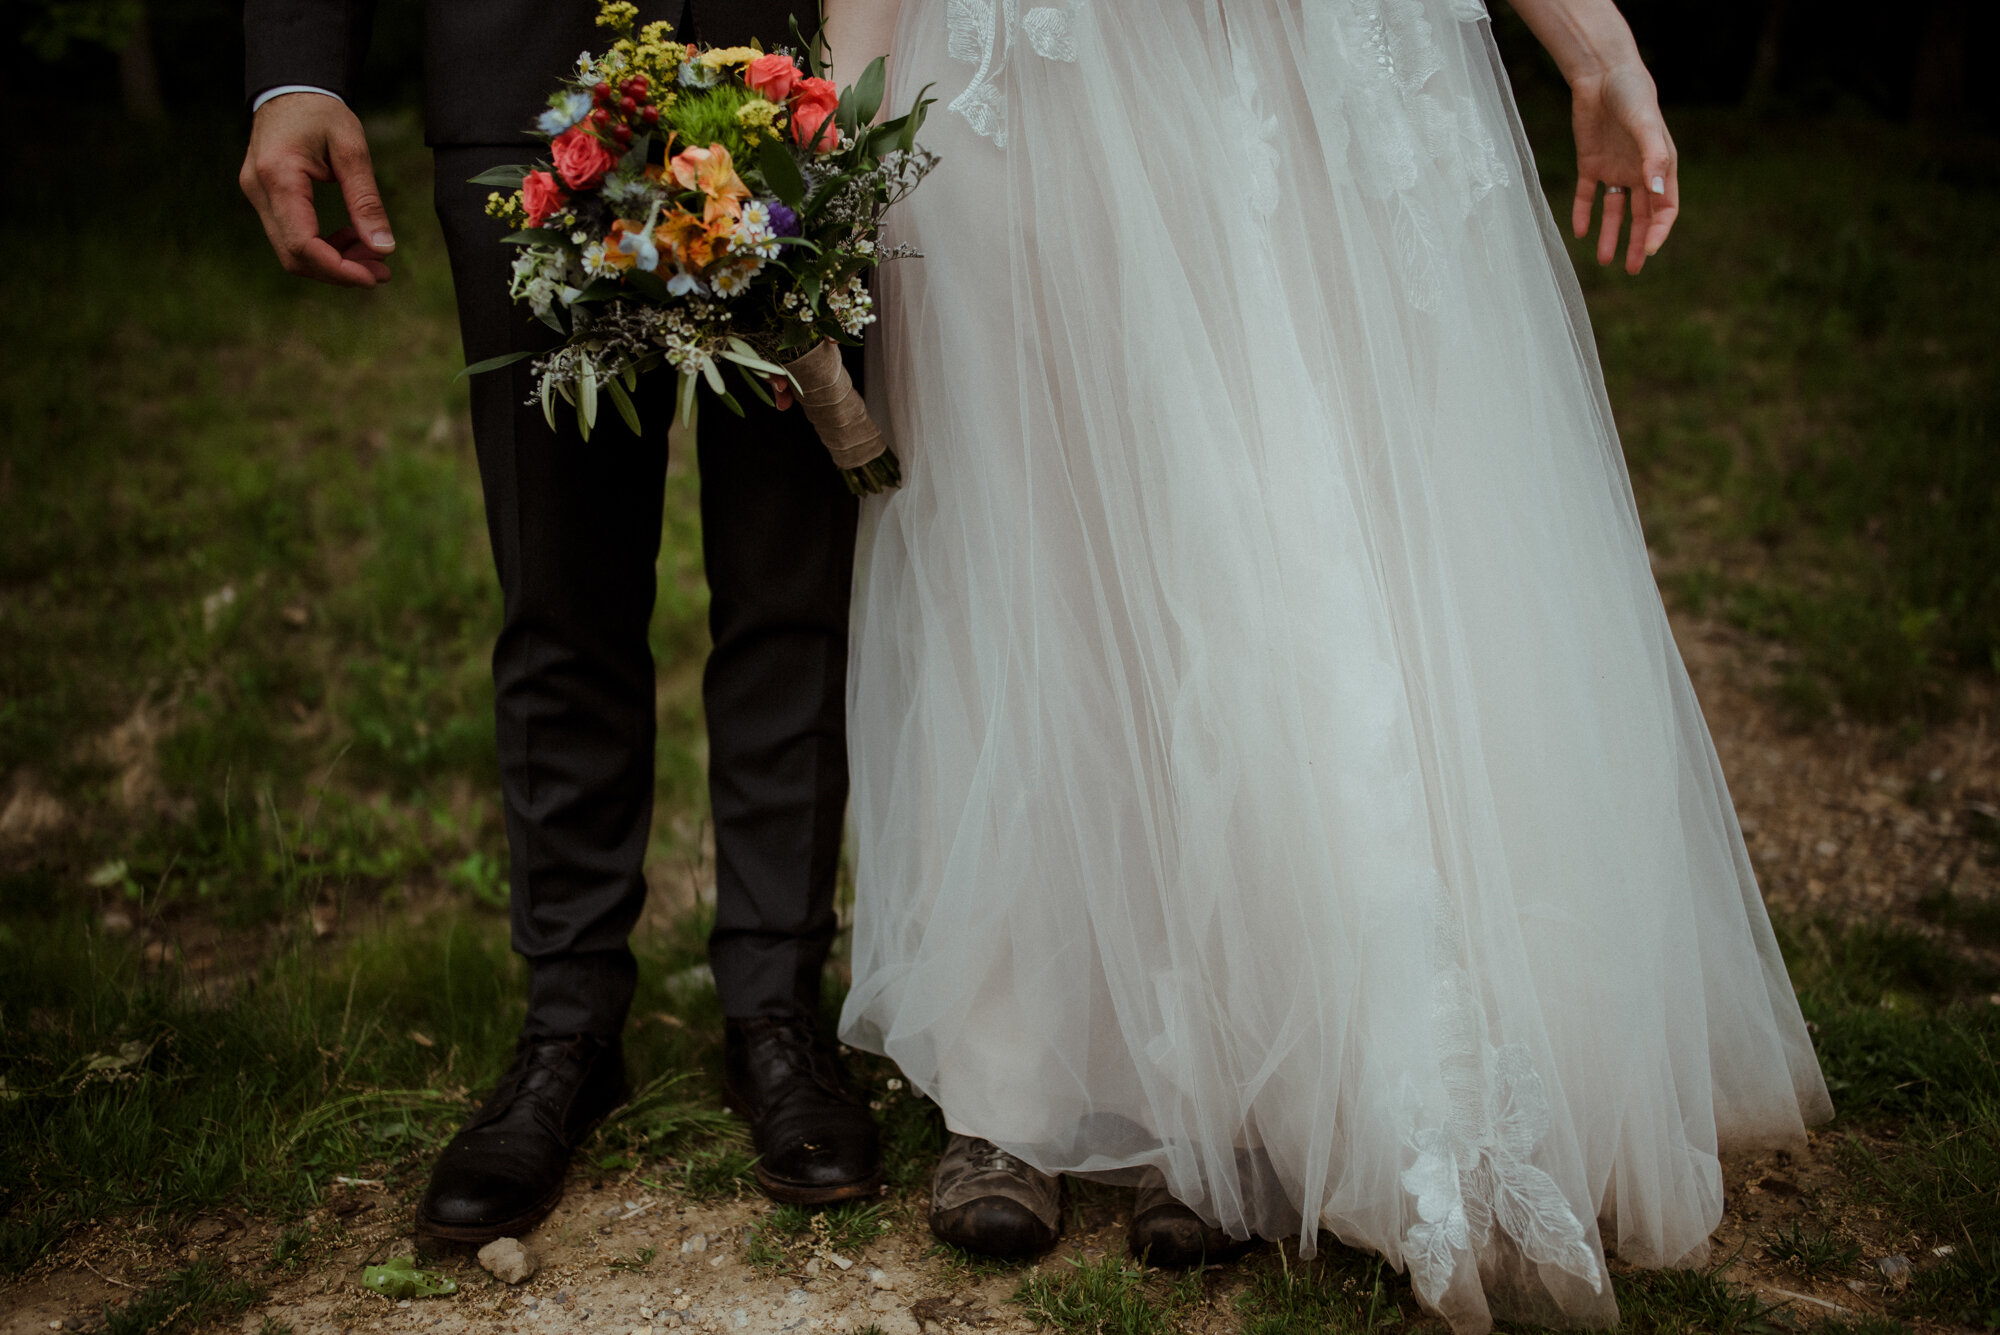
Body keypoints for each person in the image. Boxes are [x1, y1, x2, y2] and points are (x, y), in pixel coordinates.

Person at [820, 0, 1833, 1327]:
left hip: (1248, 53)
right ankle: (1024, 1073)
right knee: (1027, 528)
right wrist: (835, 118)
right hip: (1009, 61)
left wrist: (1596, 44)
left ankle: (1244, 1069)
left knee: (1248, 522)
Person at [238, 0, 884, 1240]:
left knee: (791, 584)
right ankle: (570, 1024)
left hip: (802, 68)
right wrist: (293, 74)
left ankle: (774, 1008)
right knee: (559, 590)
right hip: (522, 80)